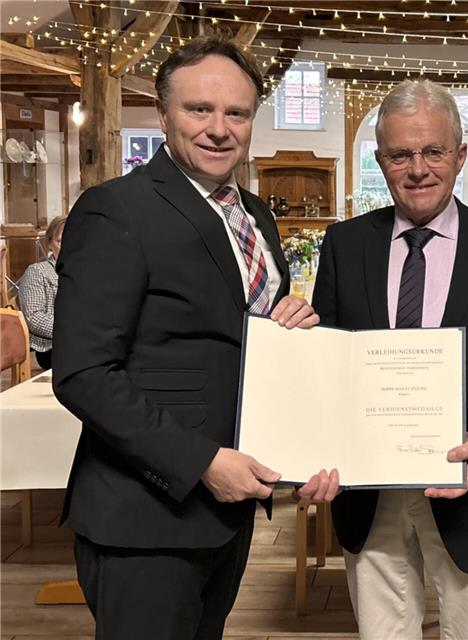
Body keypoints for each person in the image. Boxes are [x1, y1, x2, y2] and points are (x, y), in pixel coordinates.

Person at [52, 35, 318, 639]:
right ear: (164, 111)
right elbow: (84, 373)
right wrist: (199, 463)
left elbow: (233, 333)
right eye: (200, 109)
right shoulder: (115, 210)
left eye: (237, 113)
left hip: (227, 508)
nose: (219, 128)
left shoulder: (254, 213)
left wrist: (288, 324)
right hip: (146, 514)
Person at [301, 79, 468, 639]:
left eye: (433, 151)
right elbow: (325, 368)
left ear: (460, 155)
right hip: (368, 493)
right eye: (400, 154)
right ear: (380, 160)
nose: (418, 168)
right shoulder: (345, 246)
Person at [19, 215, 67, 370]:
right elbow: (34, 316)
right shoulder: (38, 272)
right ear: (49, 243)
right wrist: (70, 330)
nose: (67, 246)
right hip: (52, 346)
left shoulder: (88, 271)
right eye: (60, 241)